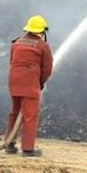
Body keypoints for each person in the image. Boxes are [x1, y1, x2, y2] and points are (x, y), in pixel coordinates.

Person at [5, 15, 53, 157]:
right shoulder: (42, 46)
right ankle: (28, 149)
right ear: (42, 31)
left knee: (15, 112)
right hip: (30, 84)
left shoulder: (15, 43)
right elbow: (47, 69)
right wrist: (40, 82)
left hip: (14, 83)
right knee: (29, 116)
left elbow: (12, 61)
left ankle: (9, 144)